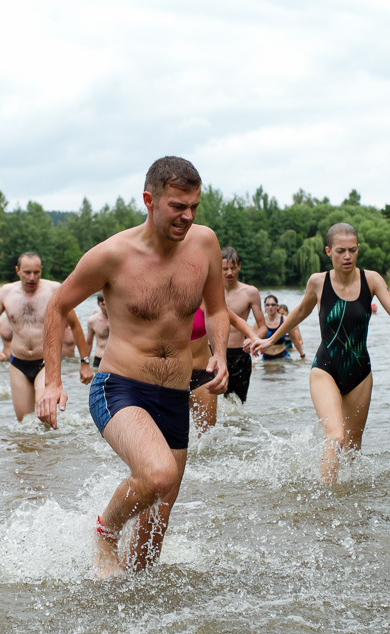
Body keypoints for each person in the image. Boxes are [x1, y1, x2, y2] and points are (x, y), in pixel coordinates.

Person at [37, 156, 229, 577]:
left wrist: (219, 352)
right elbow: (58, 306)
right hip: (120, 387)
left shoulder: (205, 244)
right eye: (178, 206)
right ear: (150, 200)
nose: (188, 216)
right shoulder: (112, 255)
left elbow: (217, 308)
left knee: (149, 549)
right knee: (158, 475)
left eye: (194, 206)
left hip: (175, 395)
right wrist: (52, 382)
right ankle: (104, 532)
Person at [251, 223, 390, 483]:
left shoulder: (371, 280)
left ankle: (347, 503)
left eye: (352, 250)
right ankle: (324, 502)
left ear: (358, 249)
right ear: (328, 251)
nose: (347, 256)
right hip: (325, 369)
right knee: (335, 435)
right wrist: (269, 340)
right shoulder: (318, 282)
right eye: (340, 251)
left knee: (352, 447)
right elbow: (298, 314)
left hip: (360, 374)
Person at [0, 252, 93, 421]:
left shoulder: (54, 290)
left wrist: (85, 362)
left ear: (41, 270)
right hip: (18, 363)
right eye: (27, 272)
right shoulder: (6, 292)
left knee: (45, 416)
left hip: (45, 362)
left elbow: (75, 325)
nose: (32, 277)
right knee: (25, 423)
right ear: (17, 271)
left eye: (36, 272)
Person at [190, 304, 258, 435]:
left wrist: (253, 337)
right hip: (169, 377)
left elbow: (235, 319)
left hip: (203, 375)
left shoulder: (203, 299)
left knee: (206, 440)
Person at [222, 247, 266, 402]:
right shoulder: (210, 291)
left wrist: (252, 339)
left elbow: (262, 327)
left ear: (239, 267)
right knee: (212, 403)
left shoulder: (250, 292)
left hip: (240, 354)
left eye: (233, 268)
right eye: (225, 268)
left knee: (237, 404)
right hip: (214, 352)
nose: (229, 272)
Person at [262, 296, 306, 361]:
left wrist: (302, 355)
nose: (270, 307)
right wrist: (254, 359)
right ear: (265, 307)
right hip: (267, 358)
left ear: (277, 306)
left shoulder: (285, 320)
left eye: (273, 304)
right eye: (267, 305)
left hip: (283, 356)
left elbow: (293, 338)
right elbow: (253, 339)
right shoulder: (261, 321)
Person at [87, 294, 110, 368]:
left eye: (107, 303)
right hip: (99, 358)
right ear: (98, 304)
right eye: (103, 304)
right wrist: (86, 363)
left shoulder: (120, 320)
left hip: (116, 359)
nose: (105, 307)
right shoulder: (93, 320)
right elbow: (88, 343)